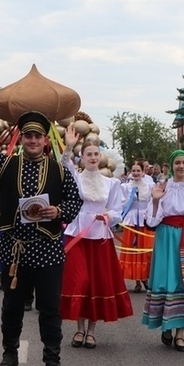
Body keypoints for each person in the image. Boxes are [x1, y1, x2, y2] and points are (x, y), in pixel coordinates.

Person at [0, 98, 82, 366]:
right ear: (22, 138)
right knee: (12, 305)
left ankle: (52, 363)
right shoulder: (5, 164)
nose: (33, 140)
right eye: (28, 135)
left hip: (48, 247)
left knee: (50, 308)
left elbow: (76, 200)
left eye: (38, 136)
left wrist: (59, 212)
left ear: (44, 139)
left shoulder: (59, 170)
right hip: (15, 248)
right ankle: (9, 354)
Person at [60, 127, 132, 349]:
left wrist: (107, 216)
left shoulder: (111, 183)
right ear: (82, 158)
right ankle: (79, 329)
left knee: (97, 284)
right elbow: (64, 165)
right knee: (79, 280)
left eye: (95, 154)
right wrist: (69, 146)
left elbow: (117, 210)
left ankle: (91, 331)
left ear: (100, 158)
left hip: (100, 238)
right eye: (88, 154)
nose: (92, 157)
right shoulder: (76, 178)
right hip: (78, 235)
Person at [141, 150, 184, 352]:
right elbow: (152, 220)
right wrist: (155, 200)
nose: (181, 166)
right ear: (171, 165)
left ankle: (180, 333)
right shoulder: (162, 187)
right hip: (165, 237)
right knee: (165, 280)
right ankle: (166, 325)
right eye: (177, 163)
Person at [118, 159, 155, 293]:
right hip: (132, 219)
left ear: (143, 171)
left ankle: (146, 277)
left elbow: (152, 202)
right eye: (133, 171)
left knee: (145, 249)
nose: (135, 173)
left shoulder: (149, 185)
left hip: (144, 219)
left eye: (138, 170)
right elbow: (121, 203)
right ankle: (137, 281)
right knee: (132, 249)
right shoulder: (126, 187)